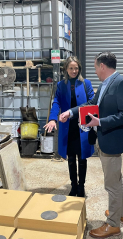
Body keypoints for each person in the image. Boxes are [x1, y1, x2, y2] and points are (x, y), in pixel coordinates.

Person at [60, 52, 123, 238]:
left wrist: (100, 122)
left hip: (113, 141)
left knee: (112, 185)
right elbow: (92, 103)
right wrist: (71, 112)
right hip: (105, 139)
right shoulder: (105, 84)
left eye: (95, 67)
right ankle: (122, 215)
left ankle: (113, 224)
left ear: (102, 66)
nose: (95, 70)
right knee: (117, 180)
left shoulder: (121, 83)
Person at [44, 56, 95, 197]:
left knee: (82, 157)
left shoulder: (86, 84)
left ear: (79, 69)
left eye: (76, 68)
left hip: (83, 126)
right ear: (66, 69)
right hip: (68, 127)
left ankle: (81, 186)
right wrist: (53, 119)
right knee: (71, 158)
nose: (74, 71)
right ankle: (73, 186)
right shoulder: (61, 85)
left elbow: (92, 101)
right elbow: (56, 103)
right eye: (71, 68)